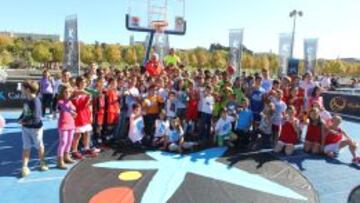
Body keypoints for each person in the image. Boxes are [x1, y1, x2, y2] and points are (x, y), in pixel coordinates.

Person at [18, 80, 48, 177]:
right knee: (26, 147)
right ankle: (24, 166)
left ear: (27, 89)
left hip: (36, 129)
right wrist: (20, 119)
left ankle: (42, 162)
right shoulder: (26, 99)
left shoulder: (36, 101)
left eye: (22, 87)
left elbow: (36, 117)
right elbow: (25, 112)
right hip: (25, 128)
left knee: (39, 146)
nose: (21, 89)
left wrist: (24, 122)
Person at [71, 76, 96, 160]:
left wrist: (91, 115)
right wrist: (89, 93)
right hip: (78, 115)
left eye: (85, 82)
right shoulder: (75, 91)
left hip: (85, 114)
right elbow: (79, 94)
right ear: (78, 83)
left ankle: (86, 148)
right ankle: (74, 151)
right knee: (77, 135)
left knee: (87, 132)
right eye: (82, 82)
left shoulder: (86, 92)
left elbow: (87, 105)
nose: (84, 84)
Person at [57, 84, 76, 169]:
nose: (67, 93)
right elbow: (64, 108)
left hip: (71, 123)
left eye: (69, 92)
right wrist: (72, 112)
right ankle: (59, 160)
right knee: (63, 141)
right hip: (63, 124)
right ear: (62, 92)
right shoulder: (60, 101)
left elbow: (74, 109)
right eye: (65, 92)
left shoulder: (71, 101)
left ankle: (66, 156)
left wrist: (74, 113)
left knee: (69, 141)